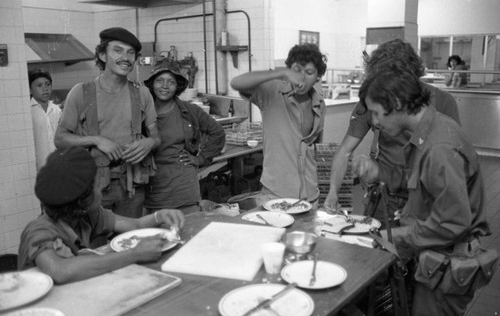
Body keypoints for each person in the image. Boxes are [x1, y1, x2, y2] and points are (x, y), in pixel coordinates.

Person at [358, 69, 496, 316]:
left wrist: (395, 237)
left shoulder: (439, 147)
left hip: (447, 262)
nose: (374, 122)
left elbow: (451, 223)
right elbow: (423, 184)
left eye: (376, 112)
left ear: (396, 104)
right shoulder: (431, 131)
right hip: (436, 258)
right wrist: (382, 172)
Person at [323, 39, 461, 222]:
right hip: (384, 200)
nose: (377, 119)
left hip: (427, 203)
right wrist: (333, 191)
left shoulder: (442, 103)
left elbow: (450, 171)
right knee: (377, 248)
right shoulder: (372, 102)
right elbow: (344, 151)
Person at [18, 146, 185, 285]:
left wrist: (159, 216)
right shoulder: (38, 231)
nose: (101, 188)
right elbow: (61, 271)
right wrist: (134, 254)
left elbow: (136, 226)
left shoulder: (87, 215)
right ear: (83, 199)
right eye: (97, 184)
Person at [54, 27, 160, 218]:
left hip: (132, 187)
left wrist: (150, 142)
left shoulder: (142, 93)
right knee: (95, 245)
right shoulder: (81, 93)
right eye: (117, 50)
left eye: (130, 53)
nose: (125, 58)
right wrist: (96, 140)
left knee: (130, 241)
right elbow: (60, 139)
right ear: (102, 55)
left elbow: (156, 135)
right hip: (94, 187)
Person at [230, 43, 328, 205]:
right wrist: (279, 72)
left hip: (311, 194)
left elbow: (316, 147)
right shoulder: (272, 93)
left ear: (318, 76)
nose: (301, 78)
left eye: (309, 73)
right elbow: (236, 83)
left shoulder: (319, 103)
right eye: (296, 71)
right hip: (277, 193)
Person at [143, 59, 226, 214]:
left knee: (188, 230)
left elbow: (218, 133)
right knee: (158, 233)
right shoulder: (142, 112)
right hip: (152, 184)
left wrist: (200, 159)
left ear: (178, 86)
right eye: (160, 81)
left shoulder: (190, 111)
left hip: (183, 185)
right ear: (152, 84)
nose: (165, 86)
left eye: (171, 82)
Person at [28, 68, 62, 171]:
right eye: (39, 85)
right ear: (30, 89)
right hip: (38, 169)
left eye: (48, 84)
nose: (45, 89)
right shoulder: (28, 112)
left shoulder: (57, 110)